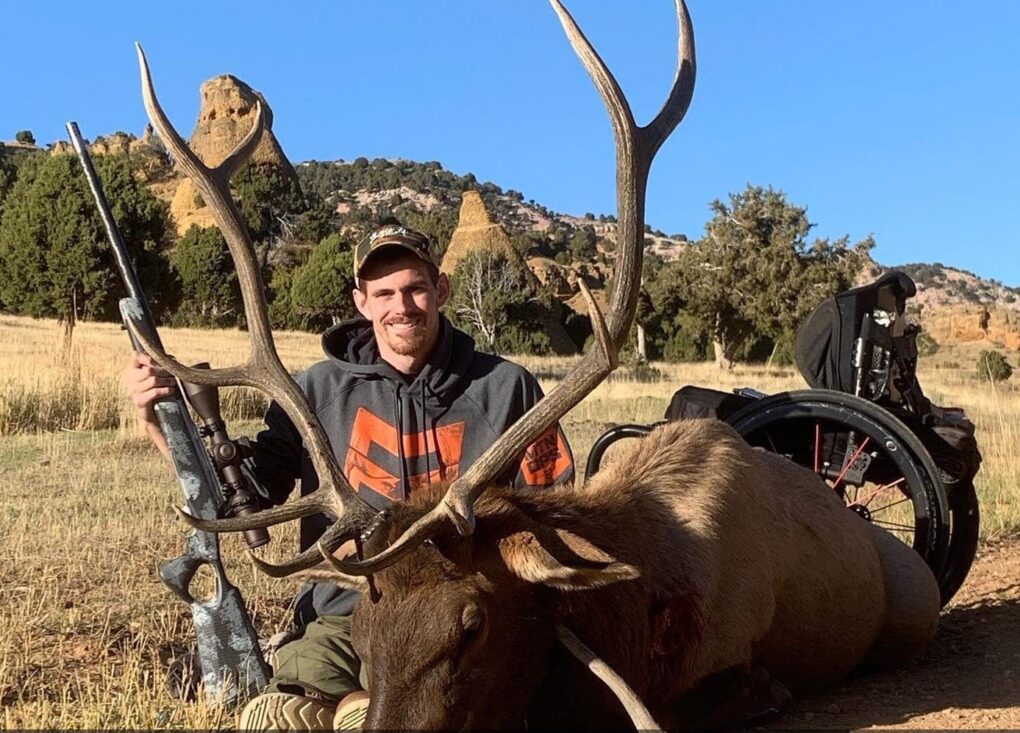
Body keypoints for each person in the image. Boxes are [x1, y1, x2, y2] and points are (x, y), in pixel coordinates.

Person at [124, 221, 575, 730]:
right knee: (271, 720)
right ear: (361, 302)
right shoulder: (315, 391)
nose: (400, 306)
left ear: (440, 290)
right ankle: (355, 705)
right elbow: (243, 495)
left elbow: (555, 509)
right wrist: (162, 423)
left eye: (414, 289)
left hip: (466, 626)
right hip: (346, 610)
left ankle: (359, 710)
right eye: (384, 293)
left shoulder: (505, 387)